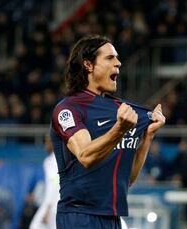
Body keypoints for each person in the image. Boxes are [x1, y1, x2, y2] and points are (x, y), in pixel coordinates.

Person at [50, 35, 166, 229]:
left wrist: (147, 137)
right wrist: (119, 129)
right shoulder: (69, 109)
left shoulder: (119, 110)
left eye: (117, 58)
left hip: (113, 218)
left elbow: (127, 179)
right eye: (110, 58)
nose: (118, 63)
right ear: (88, 65)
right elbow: (86, 156)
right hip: (80, 216)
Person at [30, 136, 60, 229]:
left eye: (47, 142)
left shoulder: (52, 161)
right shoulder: (51, 160)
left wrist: (48, 209)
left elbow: (55, 186)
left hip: (54, 207)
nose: (45, 145)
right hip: (55, 206)